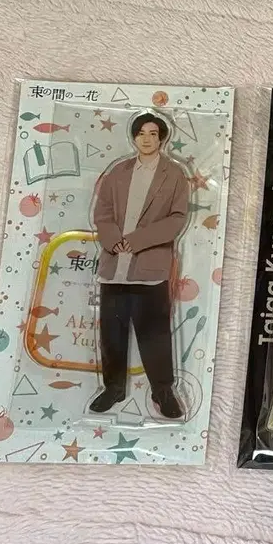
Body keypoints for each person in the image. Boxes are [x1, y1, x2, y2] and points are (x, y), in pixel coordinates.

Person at [90, 110, 190, 419]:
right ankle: (113, 388)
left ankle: (163, 391)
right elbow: (103, 212)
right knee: (112, 334)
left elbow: (177, 218)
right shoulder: (118, 172)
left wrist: (137, 240)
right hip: (114, 269)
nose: (146, 139)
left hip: (150, 270)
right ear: (133, 137)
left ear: (162, 138)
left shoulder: (174, 174)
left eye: (153, 134)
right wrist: (112, 240)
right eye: (141, 133)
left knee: (154, 334)